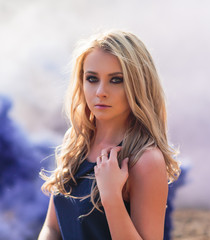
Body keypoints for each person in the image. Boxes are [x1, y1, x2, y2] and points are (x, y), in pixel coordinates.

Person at [38, 30, 180, 240]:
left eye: (116, 80)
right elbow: (52, 228)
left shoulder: (145, 160)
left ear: (138, 85)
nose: (100, 92)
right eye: (92, 78)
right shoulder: (76, 141)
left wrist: (111, 197)